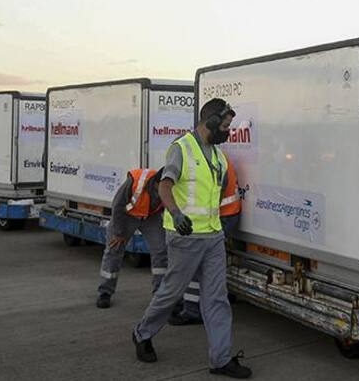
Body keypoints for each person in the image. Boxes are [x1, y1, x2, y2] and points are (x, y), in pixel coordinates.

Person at [131, 99, 251, 378]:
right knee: (171, 292)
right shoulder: (181, 148)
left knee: (217, 298)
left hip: (213, 236)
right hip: (185, 237)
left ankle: (221, 360)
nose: (227, 132)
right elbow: (164, 186)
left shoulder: (218, 156)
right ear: (211, 121)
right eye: (224, 126)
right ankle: (142, 333)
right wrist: (175, 213)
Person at [171, 156, 242, 326]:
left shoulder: (206, 161)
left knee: (196, 262)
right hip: (226, 213)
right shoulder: (212, 157)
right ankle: (207, 303)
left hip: (222, 215)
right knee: (209, 262)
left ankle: (192, 310)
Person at [95, 167, 169, 309]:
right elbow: (117, 205)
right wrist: (118, 233)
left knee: (161, 249)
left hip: (150, 217)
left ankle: (159, 294)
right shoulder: (136, 182)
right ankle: (105, 292)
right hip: (126, 216)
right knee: (114, 249)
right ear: (156, 183)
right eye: (164, 187)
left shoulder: (168, 188)